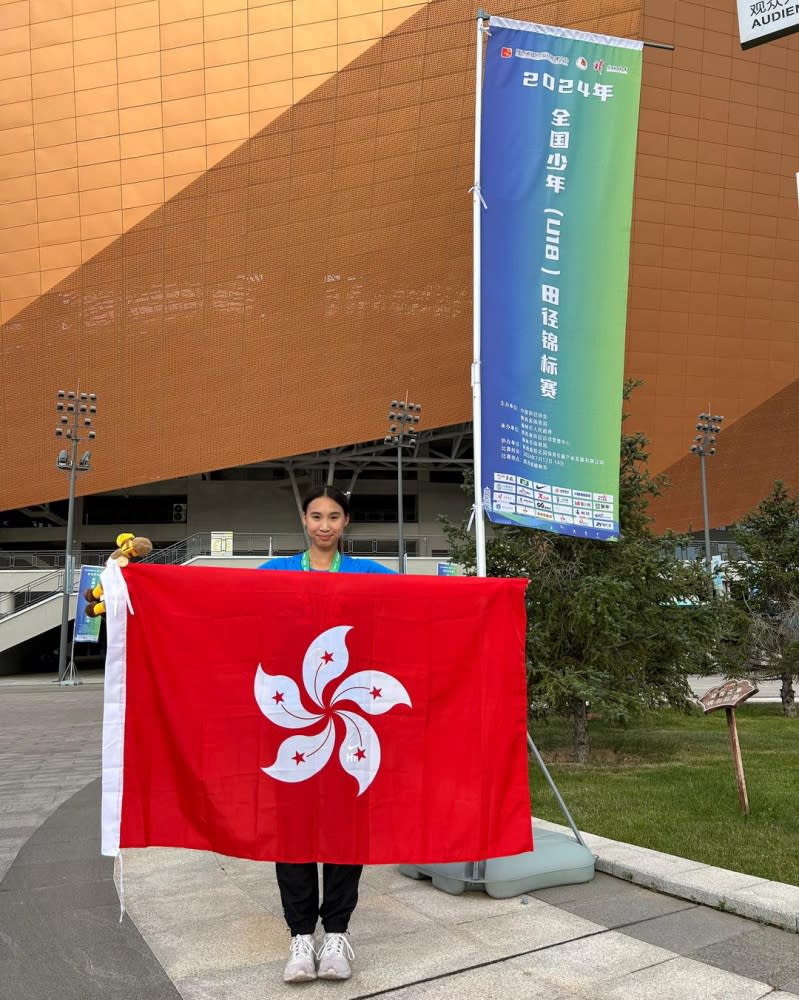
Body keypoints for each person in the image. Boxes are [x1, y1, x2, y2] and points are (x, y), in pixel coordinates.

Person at [259, 485, 394, 983]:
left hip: (349, 718)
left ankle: (337, 932)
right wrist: (133, 584)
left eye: (333, 517)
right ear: (303, 519)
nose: (323, 525)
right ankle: (299, 936)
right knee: (291, 826)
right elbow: (230, 616)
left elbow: (416, 609)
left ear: (346, 522)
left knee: (344, 824)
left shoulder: (370, 575)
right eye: (316, 516)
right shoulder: (273, 575)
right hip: (288, 717)